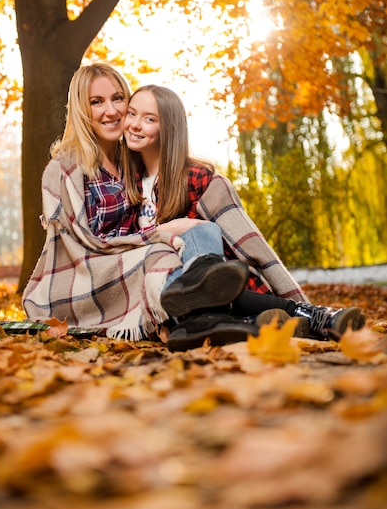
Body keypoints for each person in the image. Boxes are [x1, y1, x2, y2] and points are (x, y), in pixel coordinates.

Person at [22, 61, 258, 345]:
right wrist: (162, 233)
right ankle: (232, 316)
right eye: (97, 102)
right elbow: (82, 245)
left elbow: (163, 160)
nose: (111, 111)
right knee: (161, 256)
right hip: (90, 274)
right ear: (82, 110)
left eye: (118, 98)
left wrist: (180, 225)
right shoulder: (64, 169)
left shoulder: (130, 161)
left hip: (137, 262)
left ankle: (207, 320)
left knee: (202, 232)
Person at [123, 83, 366, 351]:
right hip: (167, 294)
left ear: (168, 127)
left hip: (224, 285)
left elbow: (249, 242)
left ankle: (314, 316)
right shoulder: (125, 185)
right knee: (179, 291)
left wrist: (297, 298)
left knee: (205, 286)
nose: (135, 124)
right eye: (131, 113)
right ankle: (263, 323)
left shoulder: (196, 178)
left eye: (149, 119)